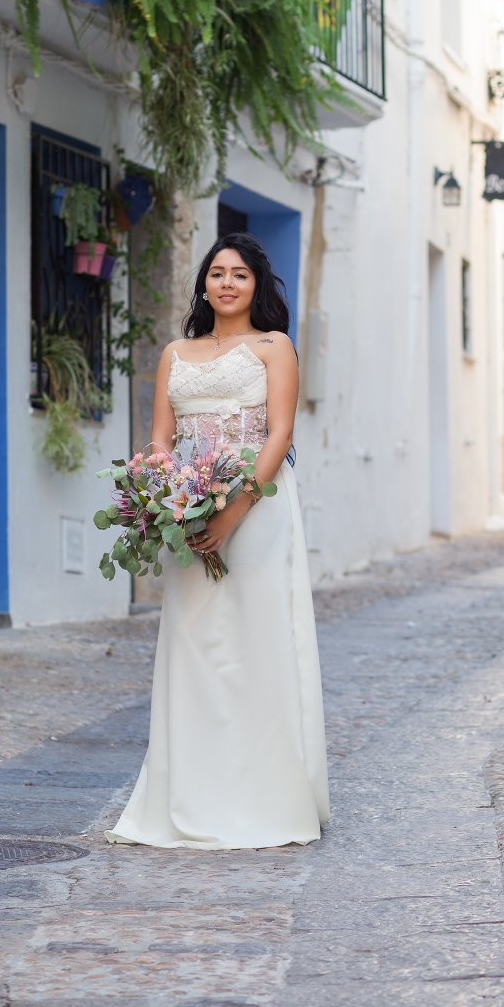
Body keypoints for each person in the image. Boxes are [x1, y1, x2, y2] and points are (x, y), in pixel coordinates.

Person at [107, 232, 330, 850]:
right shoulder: (175, 353)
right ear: (203, 284)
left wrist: (233, 512)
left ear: (257, 286)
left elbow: (280, 435)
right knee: (194, 641)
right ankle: (191, 794)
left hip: (257, 506)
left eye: (240, 274)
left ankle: (266, 798)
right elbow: (160, 438)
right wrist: (162, 495)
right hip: (188, 508)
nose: (227, 283)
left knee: (255, 639)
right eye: (217, 273)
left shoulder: (274, 347)